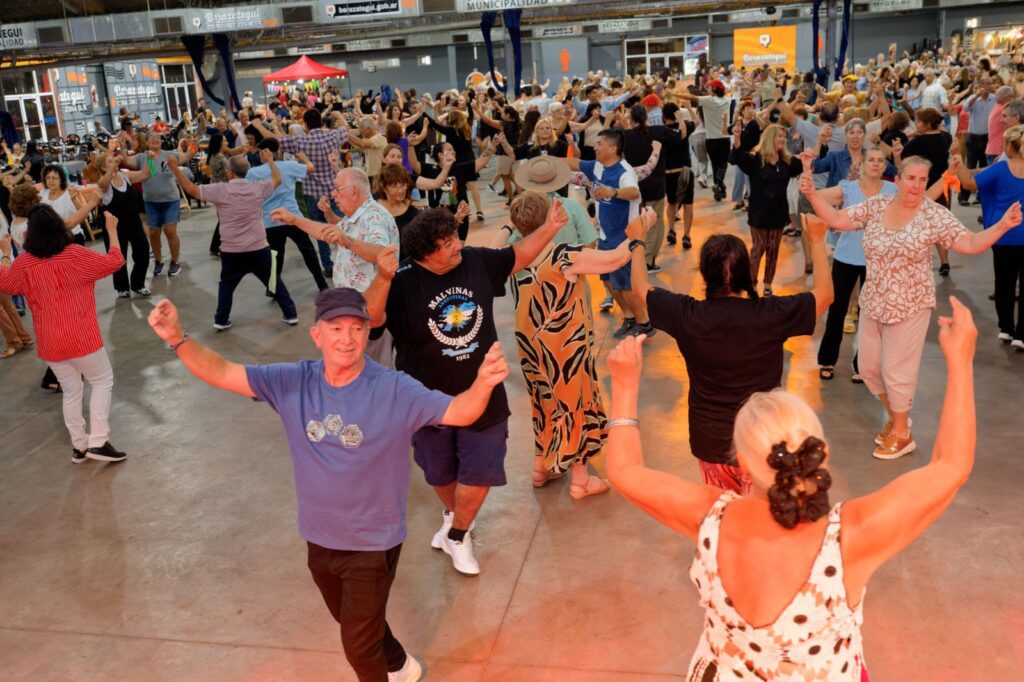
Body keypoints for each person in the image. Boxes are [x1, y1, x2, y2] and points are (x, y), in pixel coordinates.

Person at [603, 294, 981, 680]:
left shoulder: (709, 518)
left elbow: (624, 469)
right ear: (822, 453)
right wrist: (960, 361)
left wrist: (625, 385)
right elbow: (952, 465)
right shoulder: (852, 536)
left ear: (743, 462)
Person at [146, 288, 509, 682]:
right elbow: (221, 371)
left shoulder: (394, 389)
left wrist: (483, 384)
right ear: (317, 334)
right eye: (335, 327)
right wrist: (178, 340)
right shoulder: (292, 381)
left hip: (373, 541)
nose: (347, 338)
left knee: (358, 644)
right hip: (319, 536)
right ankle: (401, 666)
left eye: (356, 328)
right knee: (354, 622)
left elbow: (458, 411)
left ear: (367, 331)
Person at [362, 202, 569, 576]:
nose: (457, 246)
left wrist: (551, 226)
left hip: (483, 393)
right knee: (439, 473)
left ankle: (458, 533)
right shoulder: (403, 281)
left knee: (479, 471)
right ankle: (454, 516)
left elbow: (518, 256)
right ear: (427, 252)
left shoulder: (474, 261)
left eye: (455, 238)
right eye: (447, 243)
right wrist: (381, 277)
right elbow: (371, 320)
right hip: (425, 401)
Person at [801, 156, 1022, 459]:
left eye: (922, 179)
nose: (917, 185)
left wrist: (1001, 226)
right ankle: (896, 418)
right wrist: (812, 194)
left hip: (911, 304)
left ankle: (903, 435)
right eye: (911, 178)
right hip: (874, 301)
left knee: (896, 371)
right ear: (899, 179)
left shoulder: (933, 215)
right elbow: (838, 220)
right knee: (867, 368)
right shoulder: (879, 205)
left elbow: (969, 243)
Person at [630, 215, 832, 493]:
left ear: (704, 274)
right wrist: (818, 242)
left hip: (710, 440)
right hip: (763, 439)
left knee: (725, 514)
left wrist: (637, 240)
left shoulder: (687, 316)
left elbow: (639, 287)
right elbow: (824, 295)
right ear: (748, 272)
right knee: (762, 514)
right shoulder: (770, 315)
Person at [508, 191, 655, 497]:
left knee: (544, 403)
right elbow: (615, 258)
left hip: (532, 350)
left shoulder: (514, 256)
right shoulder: (563, 254)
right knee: (574, 406)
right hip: (565, 350)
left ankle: (542, 467)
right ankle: (580, 478)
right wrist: (640, 234)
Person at [0, 207, 127, 464]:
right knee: (102, 381)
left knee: (71, 390)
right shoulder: (74, 255)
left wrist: (5, 255)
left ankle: (79, 447)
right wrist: (112, 231)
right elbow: (115, 262)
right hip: (81, 336)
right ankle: (99, 441)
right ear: (60, 227)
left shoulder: (24, 262)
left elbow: (5, 283)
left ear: (30, 234)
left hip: (50, 342)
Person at [270, 167, 399, 366]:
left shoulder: (374, 217)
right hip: (356, 310)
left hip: (369, 313)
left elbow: (381, 254)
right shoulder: (355, 216)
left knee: (373, 373)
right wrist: (294, 220)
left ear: (354, 191)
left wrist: (347, 241)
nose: (333, 194)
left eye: (338, 189)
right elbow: (326, 232)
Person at [167, 151, 299, 331]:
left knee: (227, 284)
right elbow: (277, 179)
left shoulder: (221, 190)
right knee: (273, 279)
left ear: (230, 172)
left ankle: (221, 319)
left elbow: (191, 189)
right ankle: (291, 314)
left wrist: (175, 168)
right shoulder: (257, 187)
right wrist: (270, 161)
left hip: (232, 251)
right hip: (258, 247)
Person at [815, 148, 898, 381]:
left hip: (876, 261)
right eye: (871, 159)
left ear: (884, 167)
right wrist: (833, 220)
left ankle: (863, 365)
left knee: (870, 316)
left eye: (880, 160)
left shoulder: (893, 190)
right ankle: (827, 360)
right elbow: (817, 197)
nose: (875, 163)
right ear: (863, 165)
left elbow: (920, 201)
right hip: (846, 257)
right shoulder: (848, 188)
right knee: (837, 310)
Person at [563, 129, 649, 338]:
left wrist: (614, 192)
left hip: (623, 239)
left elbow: (634, 192)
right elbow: (574, 163)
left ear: (612, 148)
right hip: (605, 236)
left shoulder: (624, 171)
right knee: (609, 281)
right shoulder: (598, 166)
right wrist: (547, 162)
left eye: (600, 143)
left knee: (626, 285)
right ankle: (629, 317)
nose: (595, 146)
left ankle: (644, 322)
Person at [252, 108, 350, 277]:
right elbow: (346, 129)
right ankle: (348, 260)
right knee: (343, 226)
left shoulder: (300, 142)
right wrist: (339, 115)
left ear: (304, 125)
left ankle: (328, 266)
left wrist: (258, 125)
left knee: (321, 232)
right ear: (320, 122)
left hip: (313, 195)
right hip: (335, 191)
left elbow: (275, 140)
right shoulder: (333, 136)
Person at [950, 126, 1024, 349]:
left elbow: (968, 184)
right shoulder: (1000, 168)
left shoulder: (1001, 169)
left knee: (1004, 283)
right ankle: (1021, 334)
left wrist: (957, 158)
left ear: (1010, 147)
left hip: (1003, 236)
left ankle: (1006, 329)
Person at [729, 123, 805, 296]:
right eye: (779, 136)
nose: (783, 139)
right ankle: (751, 283)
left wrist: (817, 146)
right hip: (759, 212)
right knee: (759, 247)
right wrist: (737, 137)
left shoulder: (786, 162)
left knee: (773, 249)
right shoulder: (757, 159)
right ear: (770, 138)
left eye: (784, 137)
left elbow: (806, 162)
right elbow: (737, 157)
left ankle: (768, 284)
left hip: (778, 212)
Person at [246, 138, 329, 293]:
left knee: (275, 255)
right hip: (293, 218)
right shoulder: (289, 166)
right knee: (308, 251)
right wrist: (304, 158)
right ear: (278, 152)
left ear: (264, 154)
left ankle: (272, 288)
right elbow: (311, 168)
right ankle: (321, 284)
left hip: (271, 220)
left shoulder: (253, 173)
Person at [123, 132, 196, 277]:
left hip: (170, 200)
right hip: (151, 202)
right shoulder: (142, 157)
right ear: (147, 142)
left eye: (158, 138)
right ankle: (158, 260)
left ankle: (175, 261)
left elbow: (187, 156)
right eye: (152, 138)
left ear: (161, 141)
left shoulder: (170, 155)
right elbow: (126, 160)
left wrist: (193, 145)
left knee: (170, 231)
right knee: (154, 233)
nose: (155, 140)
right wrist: (120, 147)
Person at [892, 108, 954, 275]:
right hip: (943, 187)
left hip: (922, 189)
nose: (916, 124)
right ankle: (945, 261)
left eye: (919, 121)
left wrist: (897, 152)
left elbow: (901, 164)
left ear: (927, 125)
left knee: (918, 225)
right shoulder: (944, 138)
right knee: (939, 225)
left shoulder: (918, 143)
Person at [91, 152, 153, 297]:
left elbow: (146, 174)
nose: (115, 163)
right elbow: (103, 183)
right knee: (118, 257)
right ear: (103, 167)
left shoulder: (125, 176)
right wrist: (112, 169)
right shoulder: (103, 182)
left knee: (143, 250)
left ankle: (138, 284)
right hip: (114, 226)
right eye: (110, 161)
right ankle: (122, 288)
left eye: (114, 160)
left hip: (133, 222)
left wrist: (151, 159)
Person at [39, 165, 88, 245]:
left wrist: (74, 199)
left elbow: (84, 215)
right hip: (52, 240)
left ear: (61, 180)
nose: (51, 181)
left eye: (54, 178)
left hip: (71, 238)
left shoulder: (68, 194)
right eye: (48, 177)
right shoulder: (43, 193)